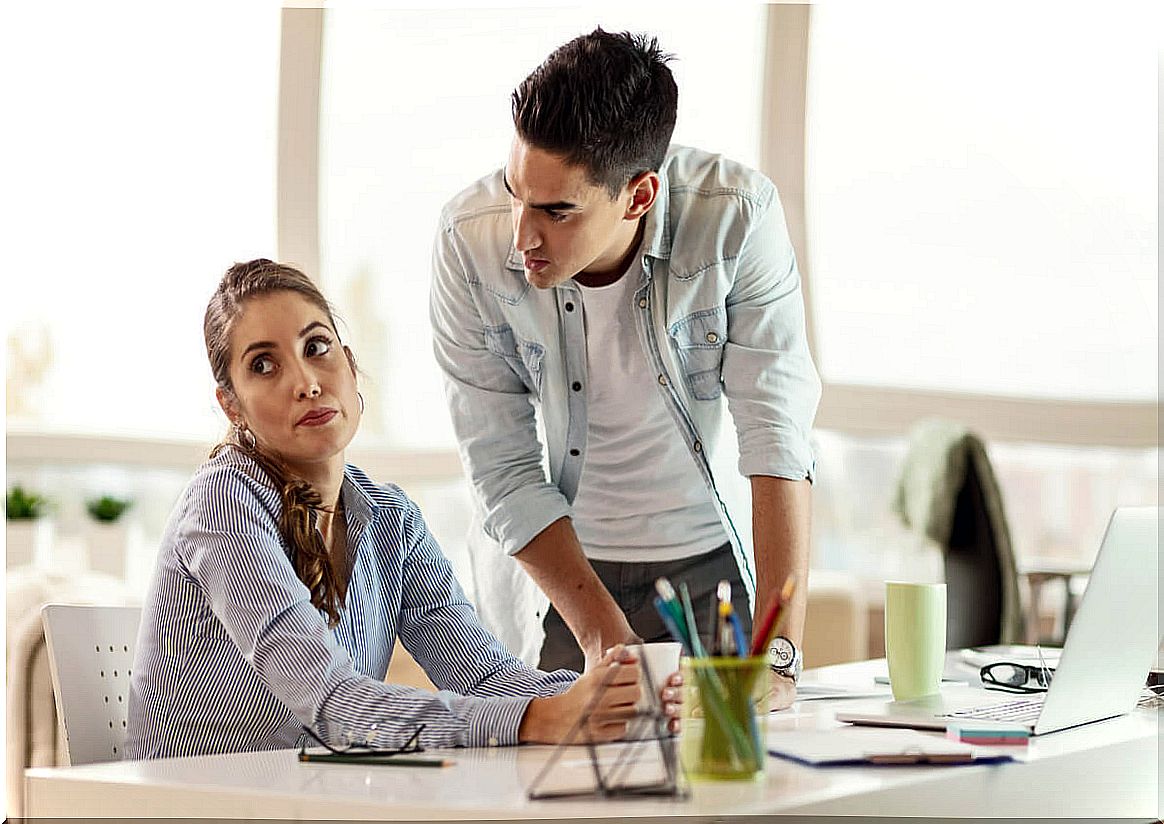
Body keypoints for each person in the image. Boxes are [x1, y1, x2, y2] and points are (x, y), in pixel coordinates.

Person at [125, 259, 681, 760]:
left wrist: (630, 689)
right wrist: (543, 718)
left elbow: (486, 678)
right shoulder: (222, 503)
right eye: (264, 367)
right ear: (232, 404)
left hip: (311, 800)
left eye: (315, 348)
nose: (306, 383)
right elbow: (334, 706)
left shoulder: (386, 515)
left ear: (348, 362)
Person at [430, 29, 821, 708]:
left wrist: (777, 659)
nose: (523, 235)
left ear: (638, 196)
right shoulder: (468, 239)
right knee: (559, 794)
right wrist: (606, 637)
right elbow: (500, 464)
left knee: (728, 791)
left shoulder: (737, 218)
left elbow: (777, 435)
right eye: (515, 191)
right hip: (556, 583)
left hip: (708, 571)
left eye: (557, 210)